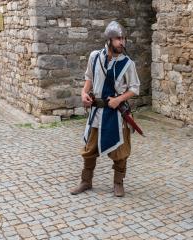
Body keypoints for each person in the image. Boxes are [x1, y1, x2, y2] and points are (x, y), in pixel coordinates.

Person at [70, 21, 140, 197]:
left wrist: (118, 100)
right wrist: (84, 93)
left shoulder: (128, 64)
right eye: (118, 38)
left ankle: (118, 183)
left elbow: (134, 88)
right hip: (97, 112)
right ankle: (85, 181)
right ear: (109, 40)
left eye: (123, 38)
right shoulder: (95, 57)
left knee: (121, 152)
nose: (122, 42)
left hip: (117, 114)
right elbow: (89, 79)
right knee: (89, 149)